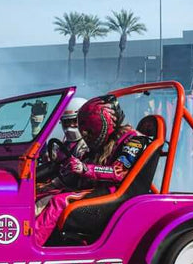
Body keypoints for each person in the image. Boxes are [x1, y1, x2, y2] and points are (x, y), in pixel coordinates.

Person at [33, 95, 151, 246]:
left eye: (89, 129)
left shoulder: (134, 140)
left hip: (113, 193)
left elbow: (118, 172)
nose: (86, 134)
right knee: (45, 194)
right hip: (98, 188)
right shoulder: (104, 142)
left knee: (59, 201)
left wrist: (84, 168)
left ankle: (32, 247)